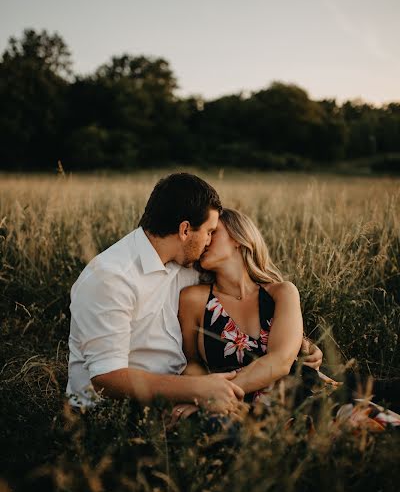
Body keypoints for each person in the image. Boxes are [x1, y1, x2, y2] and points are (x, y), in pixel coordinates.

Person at [66, 173, 323, 414]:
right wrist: (199, 391)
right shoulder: (111, 277)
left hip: (182, 393)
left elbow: (242, 295)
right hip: (119, 410)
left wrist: (300, 344)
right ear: (185, 230)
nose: (209, 241)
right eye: (209, 232)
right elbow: (107, 379)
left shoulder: (186, 265)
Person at [172, 208, 400, 431]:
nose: (205, 239)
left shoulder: (281, 293)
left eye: (213, 232)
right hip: (243, 411)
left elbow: (281, 361)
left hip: (309, 392)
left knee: (376, 429)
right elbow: (191, 362)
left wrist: (210, 396)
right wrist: (201, 393)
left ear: (238, 239)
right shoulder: (195, 298)